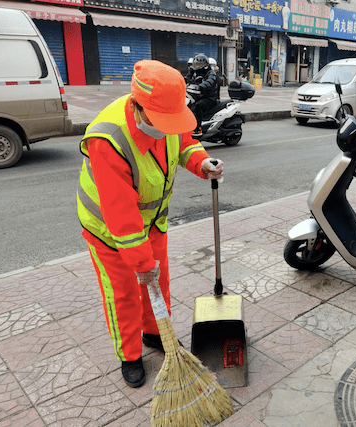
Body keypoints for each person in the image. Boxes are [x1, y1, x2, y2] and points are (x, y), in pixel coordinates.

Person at [76, 59, 223, 388]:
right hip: (109, 233)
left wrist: (202, 163)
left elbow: (184, 143)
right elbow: (120, 213)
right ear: (139, 107)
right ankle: (129, 354)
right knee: (125, 293)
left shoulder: (166, 115)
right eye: (162, 122)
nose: (167, 127)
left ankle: (156, 334)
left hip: (152, 222)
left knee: (159, 283)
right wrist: (141, 262)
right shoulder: (108, 140)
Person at [186, 53, 220, 137]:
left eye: (199, 64)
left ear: (204, 65)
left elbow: (210, 81)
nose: (196, 66)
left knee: (198, 106)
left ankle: (198, 129)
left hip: (210, 98)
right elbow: (187, 78)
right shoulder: (194, 72)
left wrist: (201, 86)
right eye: (195, 64)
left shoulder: (210, 73)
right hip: (199, 96)